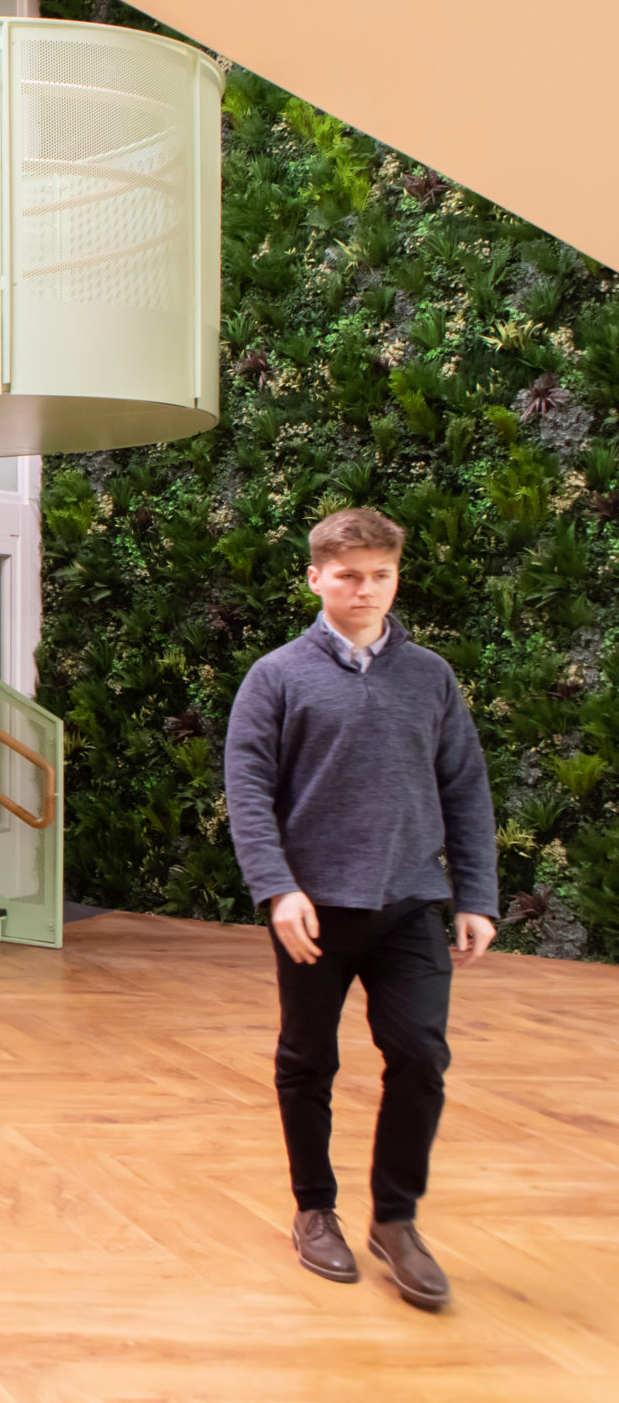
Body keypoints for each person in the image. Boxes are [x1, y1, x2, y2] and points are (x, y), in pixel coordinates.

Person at [224, 507, 498, 1312]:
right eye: (348, 575)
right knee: (308, 1060)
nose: (365, 589)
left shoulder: (431, 676)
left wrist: (477, 895)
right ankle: (315, 1209)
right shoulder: (276, 676)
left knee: (420, 1055)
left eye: (381, 574)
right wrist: (277, 887)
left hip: (412, 901)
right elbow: (248, 791)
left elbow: (465, 788)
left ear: (396, 577)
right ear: (315, 578)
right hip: (314, 910)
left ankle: (395, 1219)